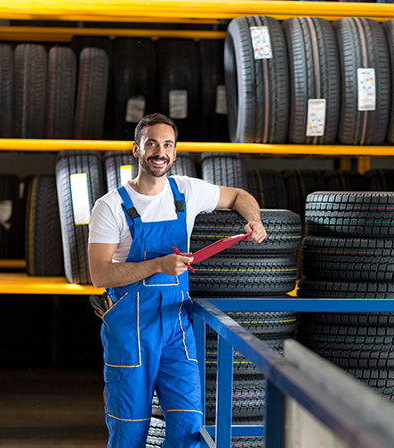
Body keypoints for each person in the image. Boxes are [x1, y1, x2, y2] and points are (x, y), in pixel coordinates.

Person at [87, 113, 267, 447]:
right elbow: (100, 274)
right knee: (129, 429)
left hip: (176, 328)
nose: (160, 152)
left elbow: (240, 196)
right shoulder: (110, 206)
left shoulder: (187, 191)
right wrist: (158, 265)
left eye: (167, 144)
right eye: (152, 143)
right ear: (136, 148)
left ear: (175, 150)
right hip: (130, 330)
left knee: (189, 423)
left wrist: (254, 222)